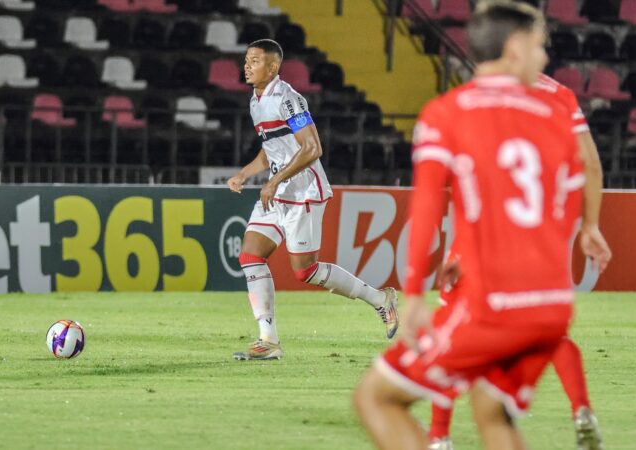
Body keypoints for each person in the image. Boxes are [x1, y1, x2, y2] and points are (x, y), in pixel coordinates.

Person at [352, 3, 612, 450]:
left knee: (375, 398)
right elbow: (561, 198)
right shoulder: (555, 112)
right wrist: (588, 228)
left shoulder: (447, 112)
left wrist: (413, 293)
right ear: (514, 48)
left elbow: (429, 204)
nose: (545, 57)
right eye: (539, 46)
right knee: (492, 412)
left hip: (494, 304)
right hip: (551, 304)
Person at [427, 71, 607, 450]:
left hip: (484, 232)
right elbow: (589, 162)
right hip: (538, 237)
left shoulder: (477, 95)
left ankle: (439, 436)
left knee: (451, 332)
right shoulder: (560, 95)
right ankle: (581, 408)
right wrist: (590, 225)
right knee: (547, 333)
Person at [226, 39, 399, 361]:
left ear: (273, 67)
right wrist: (245, 174)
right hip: (278, 192)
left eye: (254, 61)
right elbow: (271, 149)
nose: (246, 66)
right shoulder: (256, 100)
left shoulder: (288, 99)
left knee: (305, 271)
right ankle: (268, 340)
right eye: (246, 60)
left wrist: (274, 181)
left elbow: (312, 148)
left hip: (303, 192)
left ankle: (379, 299)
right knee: (250, 256)